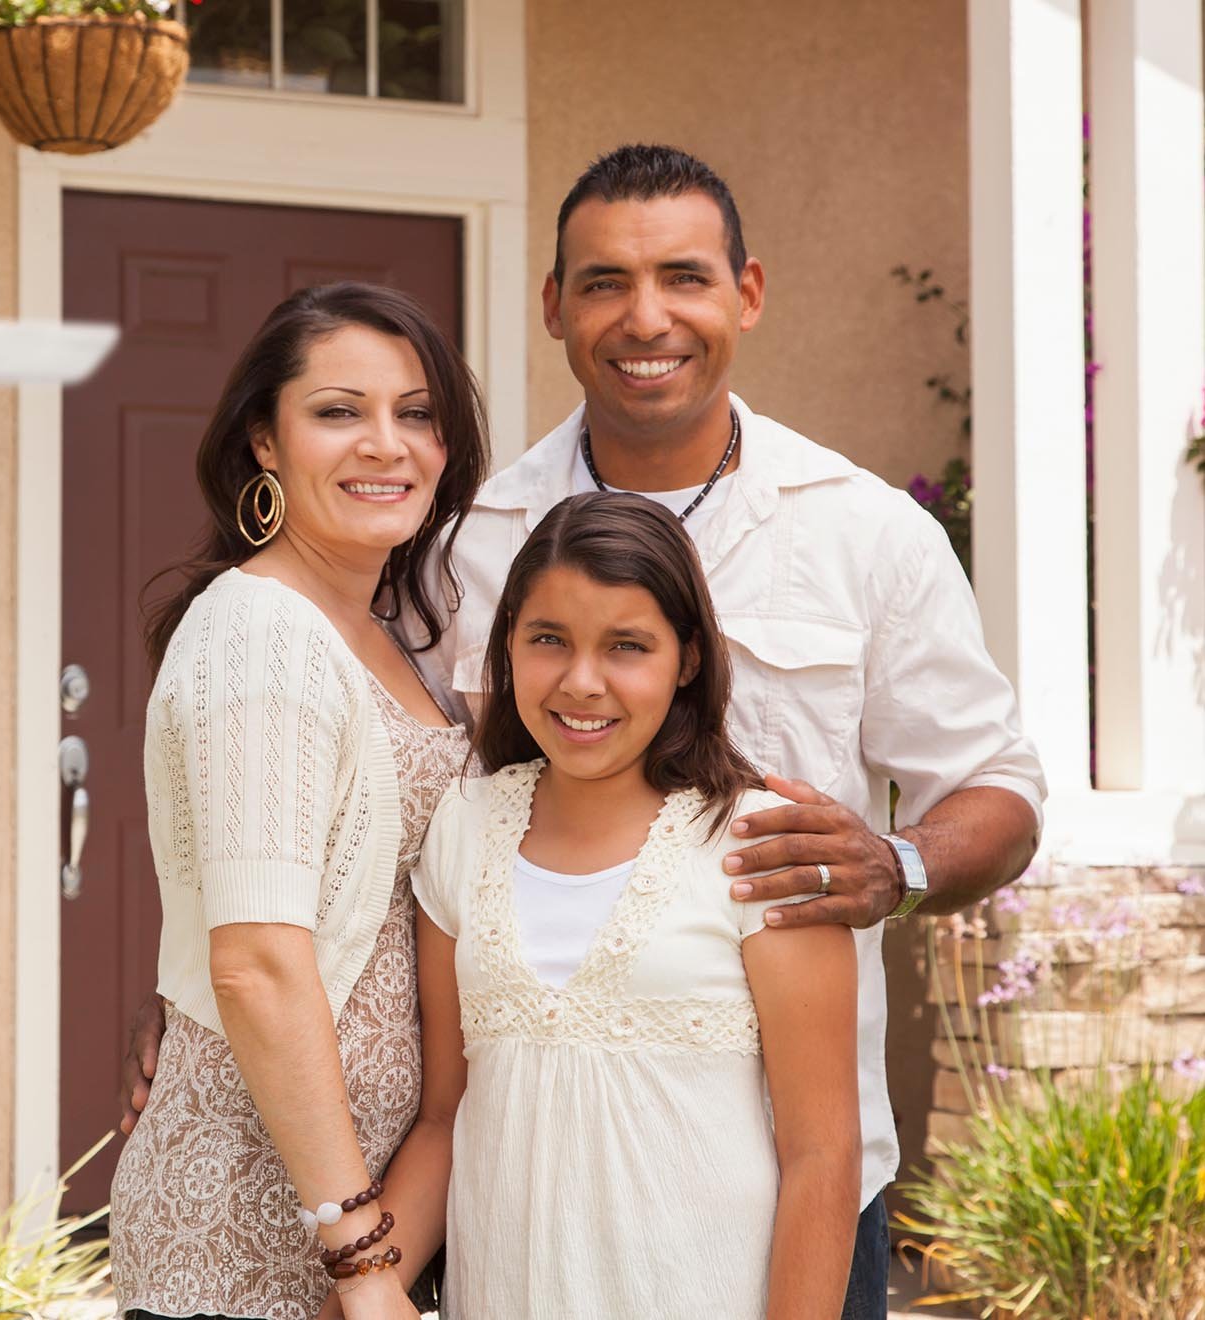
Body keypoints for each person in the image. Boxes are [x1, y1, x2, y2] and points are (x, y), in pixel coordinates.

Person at [122, 145, 1046, 1320]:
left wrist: (898, 864)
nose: (645, 316)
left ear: (747, 294)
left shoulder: (866, 533)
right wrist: (214, 974)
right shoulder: (459, 541)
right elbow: (352, 806)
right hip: (503, 1194)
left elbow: (1000, 788)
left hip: (798, 1185)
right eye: (604, 281)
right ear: (554, 306)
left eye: (685, 277)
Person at [108, 281, 489, 1320]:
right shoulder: (260, 633)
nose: (386, 444)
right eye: (338, 412)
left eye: (416, 414)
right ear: (264, 446)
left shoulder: (391, 640)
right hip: (249, 1231)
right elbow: (259, 962)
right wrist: (362, 1261)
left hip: (365, 1218)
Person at [396, 491, 859, 1315]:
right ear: (507, 646)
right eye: (548, 640)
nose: (582, 683)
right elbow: (442, 1117)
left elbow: (822, 1157)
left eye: (626, 647)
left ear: (686, 659)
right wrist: (364, 1282)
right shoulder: (463, 828)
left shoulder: (760, 846)